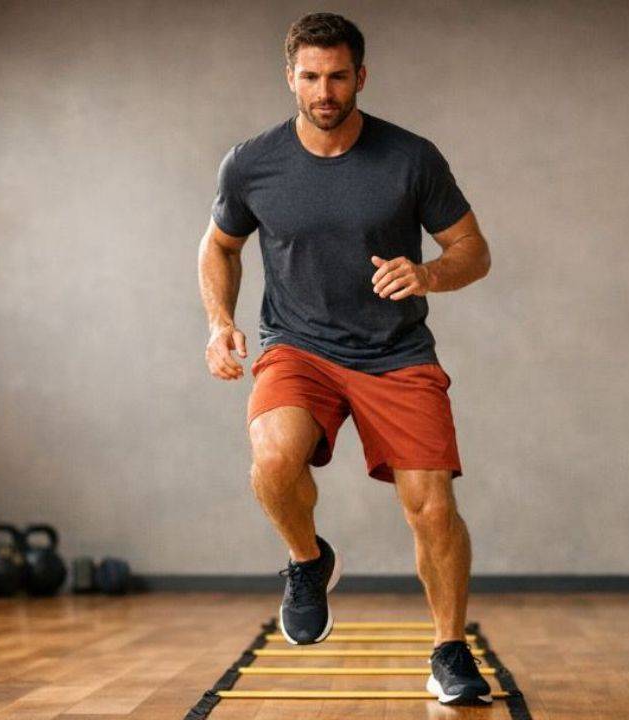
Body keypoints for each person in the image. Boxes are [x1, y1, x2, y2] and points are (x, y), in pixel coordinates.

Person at [196, 12, 493, 706]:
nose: (323, 91)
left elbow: (472, 250)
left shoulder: (410, 157)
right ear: (290, 78)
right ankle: (308, 562)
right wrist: (219, 323)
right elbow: (219, 245)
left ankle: (449, 651)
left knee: (434, 509)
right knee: (272, 458)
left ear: (361, 76)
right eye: (310, 76)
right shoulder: (252, 163)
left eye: (336, 76)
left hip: (395, 352)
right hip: (299, 346)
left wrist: (427, 275)